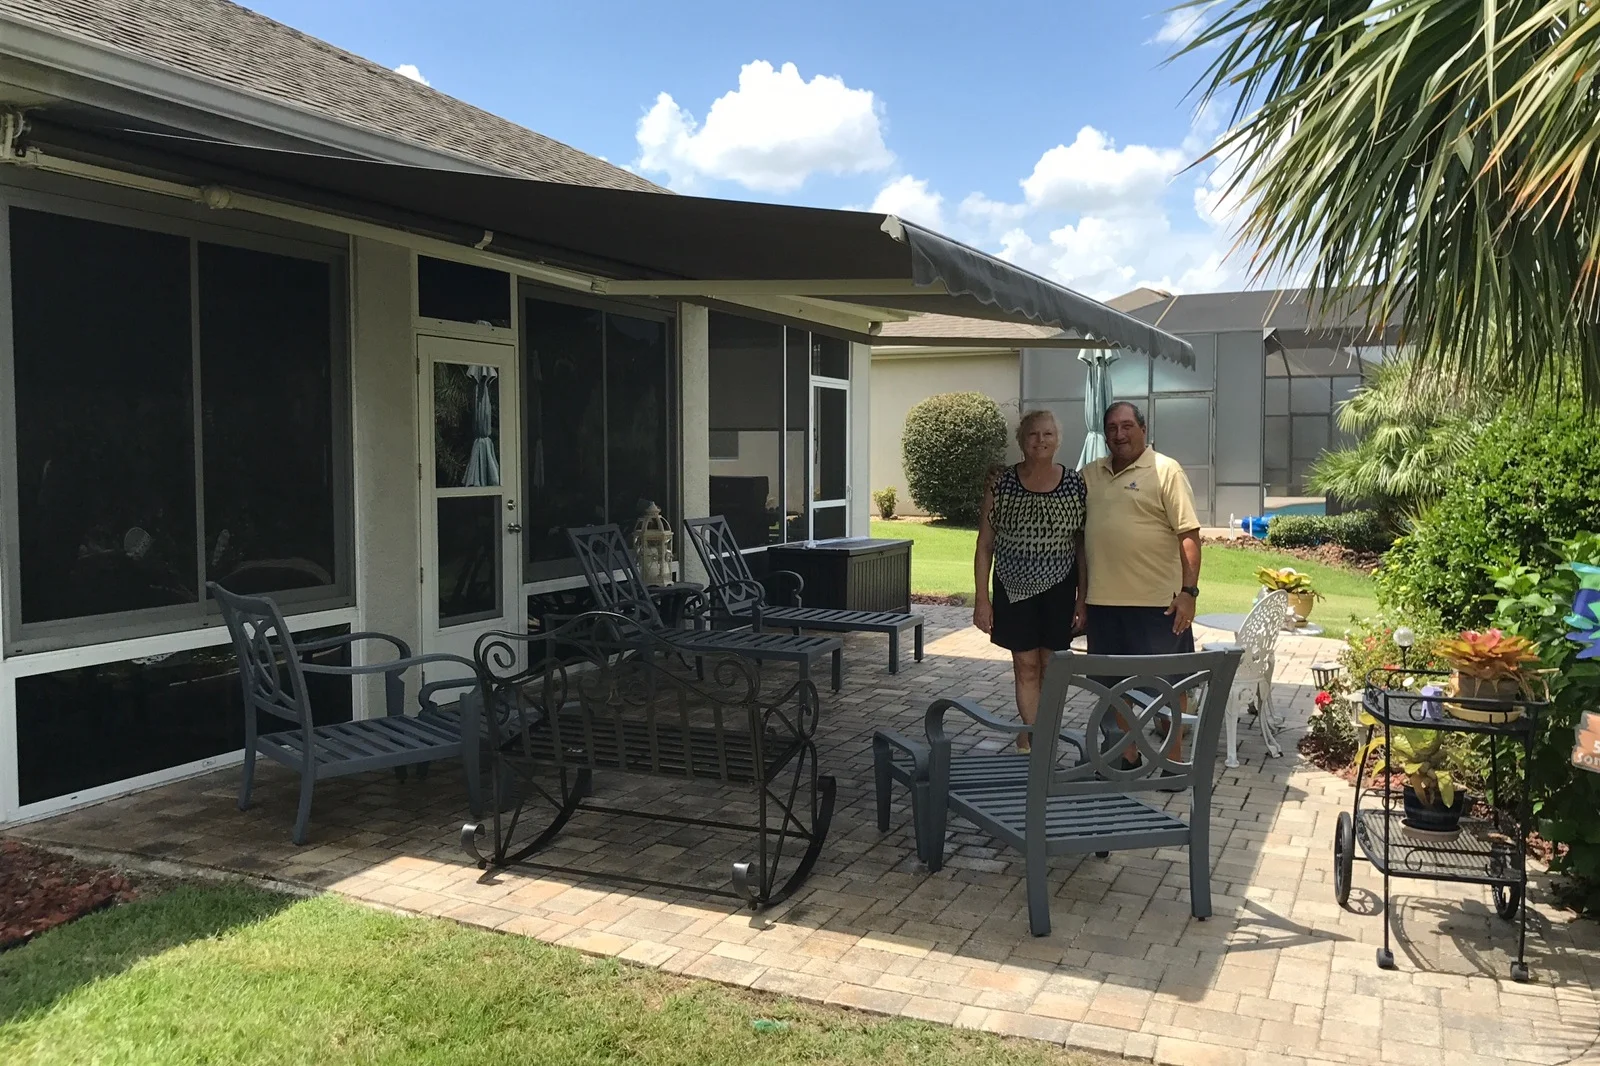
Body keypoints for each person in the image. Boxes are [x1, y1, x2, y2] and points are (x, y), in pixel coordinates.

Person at [1082, 400, 1203, 757]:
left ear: (1143, 429)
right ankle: (1127, 757)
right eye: (1112, 428)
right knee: (1114, 688)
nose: (1119, 434)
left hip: (1157, 604)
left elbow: (1189, 535)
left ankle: (1174, 759)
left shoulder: (1167, 470)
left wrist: (1189, 592)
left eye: (1127, 426)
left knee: (1168, 685)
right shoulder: (1090, 474)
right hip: (1103, 603)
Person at [973, 410, 1088, 752]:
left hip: (1060, 587)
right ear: (1021, 440)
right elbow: (985, 545)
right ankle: (1038, 744)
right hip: (1012, 587)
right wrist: (982, 598)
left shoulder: (1075, 484)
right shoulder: (1001, 483)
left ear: (1058, 440)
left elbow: (1081, 546)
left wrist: (1083, 598)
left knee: (1051, 666)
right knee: (1025, 664)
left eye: (1048, 434)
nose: (1041, 440)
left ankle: (1035, 730)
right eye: (1033, 434)